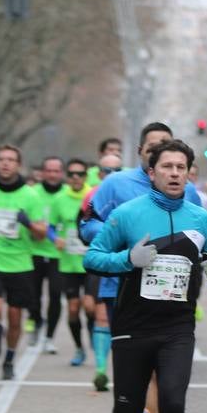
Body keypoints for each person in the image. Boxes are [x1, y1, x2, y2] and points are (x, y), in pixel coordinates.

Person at [84, 139, 207, 413]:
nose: (174, 173)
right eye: (167, 166)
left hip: (177, 327)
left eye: (181, 167)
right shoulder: (128, 214)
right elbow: (93, 257)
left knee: (174, 402)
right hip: (132, 326)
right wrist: (127, 259)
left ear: (189, 174)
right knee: (125, 409)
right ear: (151, 173)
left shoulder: (200, 219)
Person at [81, 123, 202, 413]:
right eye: (153, 147)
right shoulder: (116, 184)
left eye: (166, 146)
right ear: (143, 154)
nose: (161, 153)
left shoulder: (189, 193)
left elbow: (201, 239)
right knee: (133, 388)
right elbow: (87, 226)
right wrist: (123, 242)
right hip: (122, 289)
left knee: (164, 382)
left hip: (172, 300)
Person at [0, 144, 48, 380]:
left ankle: (10, 359)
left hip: (20, 264)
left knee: (15, 318)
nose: (5, 163)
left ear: (18, 165)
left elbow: (42, 234)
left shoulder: (31, 196)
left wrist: (28, 223)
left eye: (11, 160)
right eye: (1, 159)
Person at [81, 153, 123, 385]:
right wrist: (109, 232)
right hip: (103, 261)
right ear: (99, 174)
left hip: (130, 263)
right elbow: (83, 229)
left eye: (117, 170)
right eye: (107, 171)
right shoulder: (92, 195)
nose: (112, 175)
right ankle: (100, 370)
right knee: (99, 314)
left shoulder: (131, 192)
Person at [53, 158, 91, 366]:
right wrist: (54, 238)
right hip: (68, 264)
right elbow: (49, 226)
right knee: (74, 309)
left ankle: (95, 337)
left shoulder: (94, 195)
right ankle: (79, 348)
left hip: (91, 263)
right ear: (67, 177)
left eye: (80, 174)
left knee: (90, 307)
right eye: (72, 174)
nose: (76, 177)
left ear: (86, 176)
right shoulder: (59, 199)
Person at [29, 157, 66, 351]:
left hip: (59, 255)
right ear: (42, 173)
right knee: (32, 296)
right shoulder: (32, 193)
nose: (52, 174)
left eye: (56, 171)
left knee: (55, 295)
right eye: (49, 171)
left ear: (62, 173)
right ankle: (36, 320)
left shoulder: (67, 193)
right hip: (34, 251)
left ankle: (49, 337)